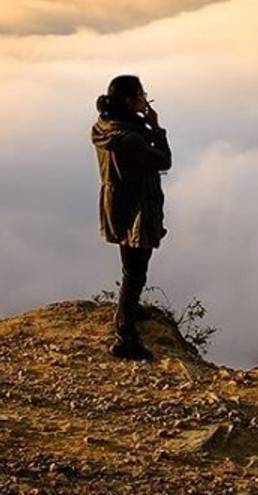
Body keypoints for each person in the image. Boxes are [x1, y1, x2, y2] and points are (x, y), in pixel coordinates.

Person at [91, 74, 172, 360]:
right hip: (137, 208)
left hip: (116, 203)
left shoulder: (104, 127)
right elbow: (164, 160)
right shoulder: (130, 138)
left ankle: (130, 310)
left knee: (131, 266)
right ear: (129, 101)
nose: (145, 98)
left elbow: (136, 145)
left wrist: (144, 124)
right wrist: (157, 127)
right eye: (141, 95)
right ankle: (124, 336)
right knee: (135, 271)